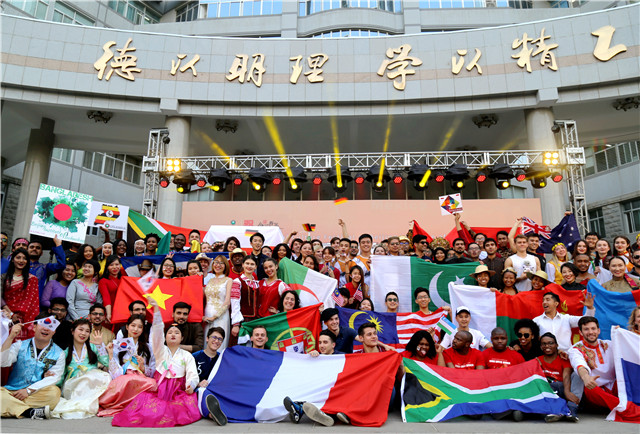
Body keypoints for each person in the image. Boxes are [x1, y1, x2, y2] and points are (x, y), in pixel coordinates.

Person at [112, 296, 200, 428]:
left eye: (177, 333)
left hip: (178, 389)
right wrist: (157, 310)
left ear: (182, 338)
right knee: (149, 410)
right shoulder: (160, 350)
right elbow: (157, 332)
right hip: (160, 387)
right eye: (170, 332)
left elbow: (193, 373)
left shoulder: (187, 355)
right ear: (165, 337)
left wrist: (190, 385)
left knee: (182, 409)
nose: (173, 334)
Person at [0, 313, 65, 419]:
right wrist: (10, 337)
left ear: (54, 331)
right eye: (43, 325)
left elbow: (54, 377)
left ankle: (11, 406)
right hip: (12, 391)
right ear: (34, 327)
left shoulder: (59, 353)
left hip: (35, 393)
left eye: (51, 327)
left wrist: (29, 390)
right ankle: (30, 411)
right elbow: (3, 362)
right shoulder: (20, 345)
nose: (46, 329)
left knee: (54, 393)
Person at [567, 316, 632, 419]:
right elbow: (579, 364)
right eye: (586, 329)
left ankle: (621, 405)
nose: (590, 332)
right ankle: (627, 409)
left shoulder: (610, 345)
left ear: (598, 330)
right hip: (596, 390)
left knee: (630, 376)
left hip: (613, 387)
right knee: (589, 388)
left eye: (593, 329)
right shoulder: (575, 349)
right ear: (580, 332)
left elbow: (631, 350)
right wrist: (586, 377)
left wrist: (622, 335)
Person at [51, 318, 111, 419]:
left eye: (87, 331)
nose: (83, 333)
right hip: (74, 385)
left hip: (92, 382)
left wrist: (100, 346)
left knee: (98, 377)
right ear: (72, 331)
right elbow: (61, 374)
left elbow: (106, 362)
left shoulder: (93, 347)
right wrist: (57, 387)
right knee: (84, 381)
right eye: (81, 329)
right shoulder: (65, 353)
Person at [98, 314, 156, 417]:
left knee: (152, 383)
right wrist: (111, 355)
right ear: (127, 327)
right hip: (124, 377)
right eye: (133, 325)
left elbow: (152, 370)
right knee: (127, 380)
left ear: (143, 329)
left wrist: (143, 367)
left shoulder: (148, 348)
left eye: (139, 327)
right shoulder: (118, 346)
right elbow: (115, 374)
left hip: (141, 379)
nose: (136, 329)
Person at [537, 332, 580, 423]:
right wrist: (537, 368)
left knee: (577, 374)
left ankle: (572, 409)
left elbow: (566, 375)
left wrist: (567, 392)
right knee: (547, 386)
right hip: (549, 392)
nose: (547, 346)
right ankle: (557, 412)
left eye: (550, 343)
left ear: (556, 345)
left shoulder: (563, 358)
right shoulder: (538, 360)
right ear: (540, 346)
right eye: (544, 344)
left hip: (564, 390)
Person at [2, 248, 40, 340]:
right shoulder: (4, 278)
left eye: (24, 258)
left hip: (24, 320)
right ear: (12, 260)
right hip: (5, 316)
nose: (21, 261)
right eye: (18, 257)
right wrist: (11, 314)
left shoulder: (32, 279)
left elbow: (33, 304)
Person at [203, 255, 232, 350]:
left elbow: (227, 302)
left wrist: (214, 317)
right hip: (207, 316)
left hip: (221, 317)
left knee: (217, 343)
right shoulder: (210, 280)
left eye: (221, 263)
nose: (218, 265)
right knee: (207, 343)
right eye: (216, 262)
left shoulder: (228, 280)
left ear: (225, 265)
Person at [230, 256, 260, 342]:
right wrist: (236, 324)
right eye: (247, 263)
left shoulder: (257, 283)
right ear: (243, 264)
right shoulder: (237, 281)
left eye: (252, 264)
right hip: (243, 320)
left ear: (255, 267)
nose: (249, 266)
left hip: (256, 321)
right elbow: (234, 303)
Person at [27, 236, 65, 304]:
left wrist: (58, 245)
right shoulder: (19, 266)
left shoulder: (45, 267)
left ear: (41, 253)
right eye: (32, 247)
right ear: (26, 250)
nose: (34, 249)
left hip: (35, 304)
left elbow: (61, 265)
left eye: (38, 248)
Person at [98, 255, 121, 323]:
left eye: (117, 264)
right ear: (107, 267)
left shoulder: (123, 279)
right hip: (109, 311)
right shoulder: (103, 281)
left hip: (121, 311)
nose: (114, 267)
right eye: (111, 265)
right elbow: (106, 298)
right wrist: (109, 314)